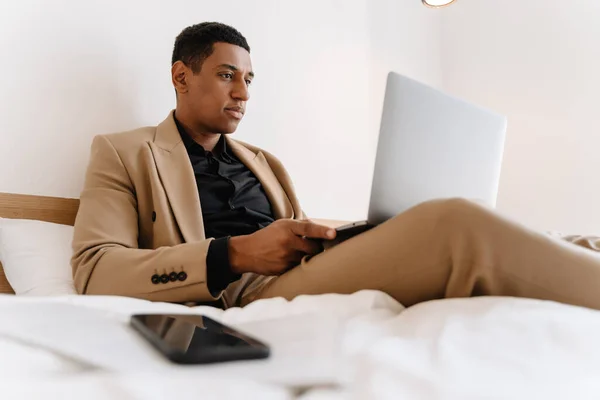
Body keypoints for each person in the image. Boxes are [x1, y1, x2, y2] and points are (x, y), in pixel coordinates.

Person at [71, 22, 600, 310]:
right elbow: (94, 269)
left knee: (543, 233)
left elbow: (296, 231)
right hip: (245, 291)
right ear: (181, 77)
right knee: (456, 222)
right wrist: (232, 254)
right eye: (227, 75)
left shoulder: (263, 161)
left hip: (304, 271)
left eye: (249, 80)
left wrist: (341, 236)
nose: (242, 93)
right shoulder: (125, 151)